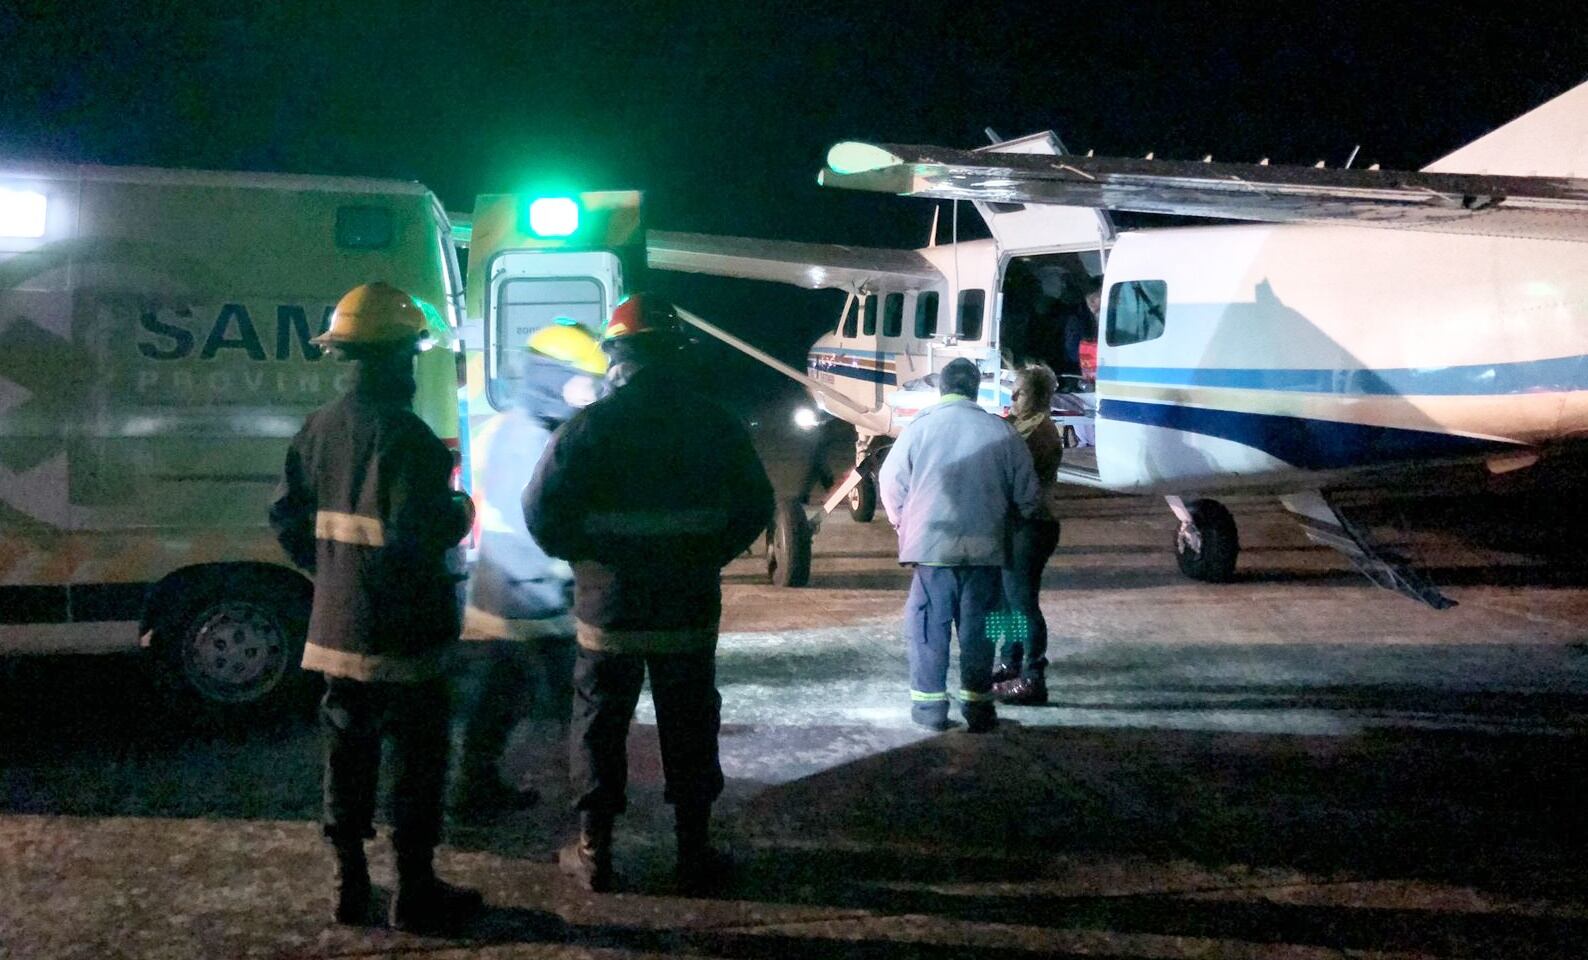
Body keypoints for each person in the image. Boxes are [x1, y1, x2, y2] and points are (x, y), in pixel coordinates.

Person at [523, 294, 773, 895]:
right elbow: (755, 505)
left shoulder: (589, 427)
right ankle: (693, 854)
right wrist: (707, 552)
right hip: (686, 609)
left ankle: (595, 852)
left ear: (617, 355)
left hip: (608, 610)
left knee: (598, 723)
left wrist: (587, 560)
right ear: (676, 355)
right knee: (689, 726)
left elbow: (540, 512)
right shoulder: (714, 424)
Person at [269, 282, 483, 934]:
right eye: (414, 354)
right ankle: (414, 892)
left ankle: (349, 886)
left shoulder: (318, 429)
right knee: (417, 763)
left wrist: (333, 575)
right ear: (400, 357)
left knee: (347, 755)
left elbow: (287, 519)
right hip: (406, 635)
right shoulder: (410, 437)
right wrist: (462, 510)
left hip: (337, 630)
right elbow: (420, 532)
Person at [454, 322, 608, 818]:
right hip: (539, 599)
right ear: (553, 378)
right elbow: (543, 522)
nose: (591, 392)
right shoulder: (548, 441)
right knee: (582, 706)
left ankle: (473, 787)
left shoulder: (499, 428)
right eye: (584, 380)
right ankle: (592, 806)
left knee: (500, 697)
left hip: (500, 594)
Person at [877, 357, 1041, 733]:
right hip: (986, 550)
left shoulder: (918, 429)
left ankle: (930, 710)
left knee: (928, 629)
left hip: (932, 548)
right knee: (979, 631)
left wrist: (903, 522)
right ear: (975, 389)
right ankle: (979, 709)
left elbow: (890, 481)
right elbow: (1028, 494)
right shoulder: (1002, 433)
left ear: (942, 388)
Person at [992, 365, 1064, 705]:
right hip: (1019, 524)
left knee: (1022, 604)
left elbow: (1009, 471)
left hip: (1032, 526)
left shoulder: (1039, 433)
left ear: (1035, 395)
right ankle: (1010, 663)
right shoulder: (1025, 426)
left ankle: (1034, 677)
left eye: (1019, 392)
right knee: (1007, 602)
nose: (1012, 397)